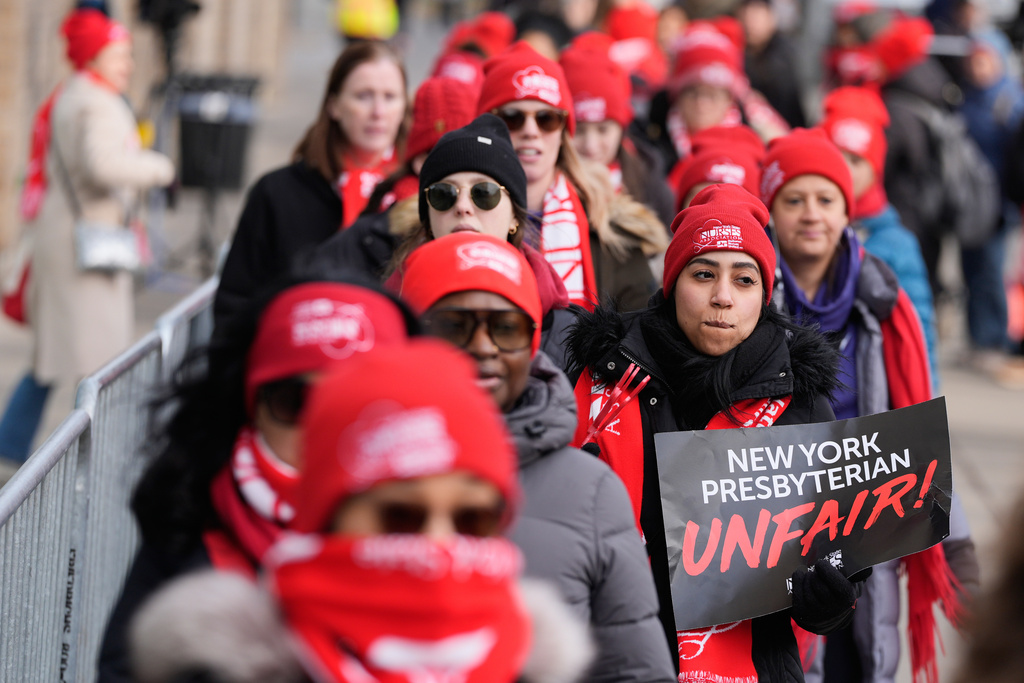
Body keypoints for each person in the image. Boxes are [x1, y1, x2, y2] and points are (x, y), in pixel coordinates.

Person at [127, 341, 594, 683]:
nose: (438, 545)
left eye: (471, 520)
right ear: (328, 518)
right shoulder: (215, 669)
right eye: (400, 518)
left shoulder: (529, 667)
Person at [565, 183, 859, 680]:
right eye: (703, 275)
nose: (722, 298)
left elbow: (833, 557)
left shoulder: (801, 403)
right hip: (613, 658)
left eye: (744, 281)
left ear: (763, 295)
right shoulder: (604, 382)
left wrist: (827, 601)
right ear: (673, 283)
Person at [97, 274, 415, 682]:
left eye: (356, 401)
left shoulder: (447, 526)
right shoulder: (189, 522)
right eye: (294, 401)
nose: (323, 428)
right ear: (252, 406)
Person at [397, 232, 678, 682]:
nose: (484, 346)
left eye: (505, 327)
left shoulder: (591, 491)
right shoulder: (352, 475)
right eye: (453, 324)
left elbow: (636, 669)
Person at [760, 128, 976, 683]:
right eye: (794, 199)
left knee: (858, 665)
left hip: (870, 545)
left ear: (847, 211)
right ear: (772, 210)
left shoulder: (885, 308)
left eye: (826, 199)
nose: (812, 214)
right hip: (769, 541)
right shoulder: (748, 304)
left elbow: (920, 434)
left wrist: (959, 544)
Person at [0, 8, 174, 464]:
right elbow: (101, 166)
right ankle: (88, 462)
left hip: (72, 238)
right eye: (119, 55)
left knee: (55, 359)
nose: (128, 64)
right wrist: (158, 166)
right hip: (84, 247)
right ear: (94, 55)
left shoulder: (77, 91)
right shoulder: (95, 101)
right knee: (93, 364)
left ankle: (12, 443)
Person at [212, 41, 407, 338]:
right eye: (363, 96)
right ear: (334, 105)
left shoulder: (419, 197)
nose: (378, 112)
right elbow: (235, 306)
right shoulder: (277, 192)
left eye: (390, 97)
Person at [477, 41, 668, 312]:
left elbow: (641, 336)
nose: (531, 131)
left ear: (563, 130)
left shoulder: (612, 229)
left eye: (547, 118)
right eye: (512, 117)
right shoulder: (450, 215)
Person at [818, 86, 939, 386]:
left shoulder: (896, 243)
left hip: (875, 395)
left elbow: (919, 328)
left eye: (856, 161)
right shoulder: (800, 230)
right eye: (836, 156)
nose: (845, 169)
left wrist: (925, 397)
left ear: (875, 170)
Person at [560, 34, 677, 228]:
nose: (591, 145)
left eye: (603, 130)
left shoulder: (647, 176)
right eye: (579, 131)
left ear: (622, 128)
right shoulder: (542, 183)